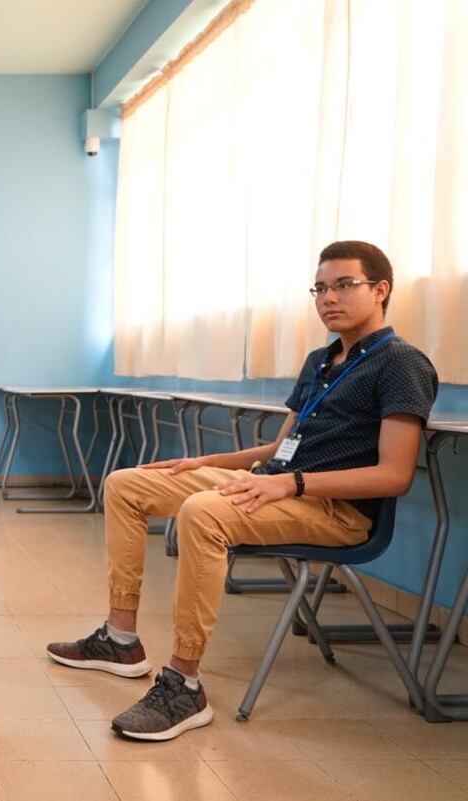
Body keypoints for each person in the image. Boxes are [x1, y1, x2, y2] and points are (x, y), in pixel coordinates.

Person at [47, 240, 437, 741]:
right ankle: (120, 639)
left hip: (335, 510)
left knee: (202, 513)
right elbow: (280, 446)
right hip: (276, 482)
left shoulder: (401, 364)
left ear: (380, 290)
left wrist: (291, 483)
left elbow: (393, 476)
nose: (328, 298)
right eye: (319, 288)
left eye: (344, 285)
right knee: (126, 484)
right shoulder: (321, 360)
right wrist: (206, 461)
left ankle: (183, 684)